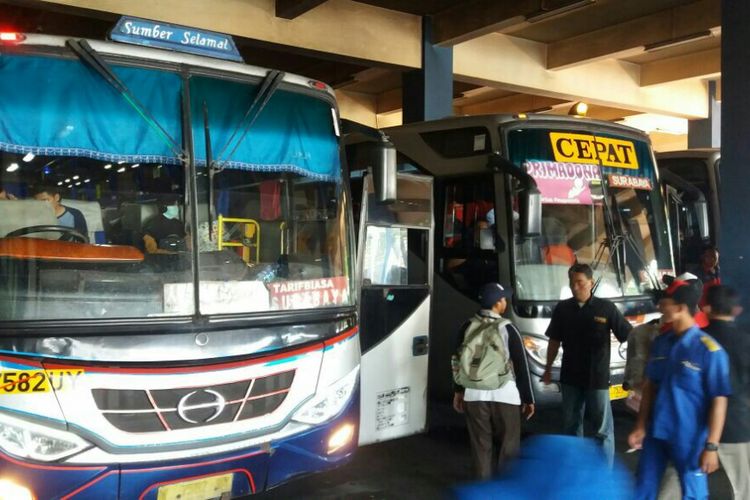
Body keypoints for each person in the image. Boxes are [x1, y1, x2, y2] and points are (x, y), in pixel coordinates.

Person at [627, 280, 731, 500]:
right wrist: (640, 425)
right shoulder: (662, 343)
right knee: (642, 489)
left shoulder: (709, 350)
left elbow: (719, 401)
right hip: (657, 432)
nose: (661, 308)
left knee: (693, 493)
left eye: (666, 304)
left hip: (689, 437)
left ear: (682, 308)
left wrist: (712, 446)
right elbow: (650, 387)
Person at [542, 263, 632, 465]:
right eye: (572, 283)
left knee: (602, 429)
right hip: (570, 377)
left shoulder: (606, 308)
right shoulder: (563, 308)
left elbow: (628, 335)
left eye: (580, 283)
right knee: (571, 427)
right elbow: (554, 341)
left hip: (597, 377)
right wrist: (548, 369)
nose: (575, 287)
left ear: (591, 283)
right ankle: (574, 470)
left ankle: (604, 475)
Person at [452, 282, 535, 479]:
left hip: (473, 394)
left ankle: (483, 492)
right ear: (498, 303)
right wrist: (528, 398)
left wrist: (458, 391)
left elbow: (456, 361)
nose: (505, 301)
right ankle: (505, 491)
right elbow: (522, 366)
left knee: (481, 447)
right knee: (509, 448)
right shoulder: (508, 328)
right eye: (504, 298)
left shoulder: (466, 326)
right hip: (505, 395)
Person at [702, 285, 750, 500]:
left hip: (699, 426)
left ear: (706, 308)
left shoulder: (698, 340)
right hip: (738, 425)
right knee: (741, 490)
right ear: (737, 310)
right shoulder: (745, 340)